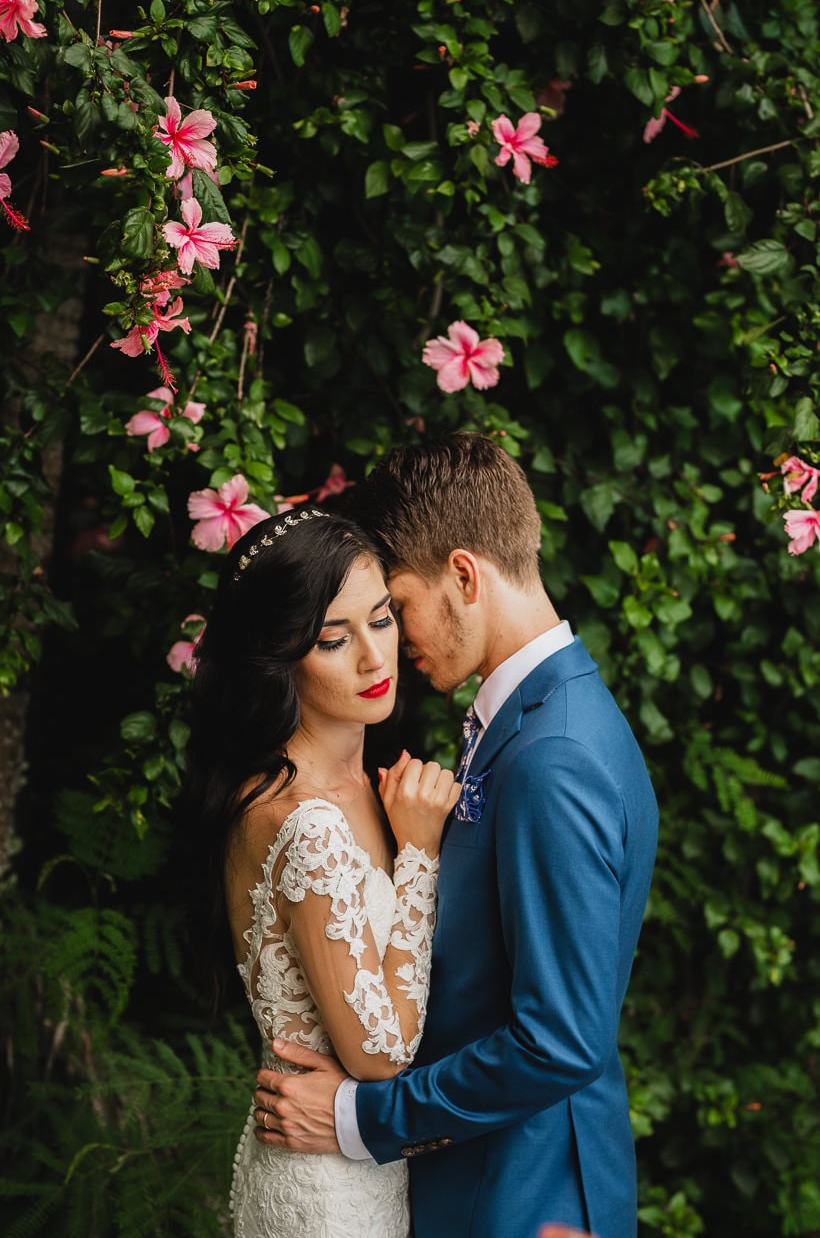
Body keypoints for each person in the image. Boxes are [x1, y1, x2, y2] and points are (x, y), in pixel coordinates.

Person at [251, 433, 660, 1238]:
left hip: (523, 1195)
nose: (394, 642)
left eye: (397, 606)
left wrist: (360, 1115)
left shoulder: (554, 757)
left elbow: (558, 1041)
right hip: (489, 1176)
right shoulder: (546, 717)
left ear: (464, 576)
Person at [184, 507, 461, 1238]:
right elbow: (381, 1054)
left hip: (358, 1165)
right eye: (334, 640)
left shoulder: (368, 787)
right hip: (326, 1195)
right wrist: (420, 855)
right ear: (279, 657)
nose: (374, 658)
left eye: (383, 619)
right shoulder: (302, 818)